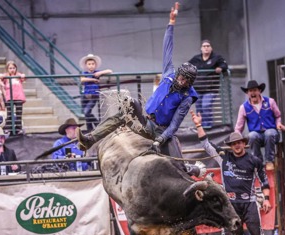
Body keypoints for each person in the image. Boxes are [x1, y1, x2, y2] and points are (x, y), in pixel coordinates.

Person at [77, 2, 198, 158]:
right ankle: (89, 139)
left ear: (190, 83)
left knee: (130, 106)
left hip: (158, 130)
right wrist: (171, 23)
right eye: (181, 78)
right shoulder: (169, 73)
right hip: (144, 120)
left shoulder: (186, 98)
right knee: (127, 107)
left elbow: (175, 123)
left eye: (186, 81)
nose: (182, 82)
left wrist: (162, 138)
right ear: (178, 74)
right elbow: (167, 47)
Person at [191, 110, 276, 235]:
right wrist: (198, 125)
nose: (237, 145)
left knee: (257, 234)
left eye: (239, 142)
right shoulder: (224, 157)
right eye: (234, 143)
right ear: (231, 145)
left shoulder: (254, 160)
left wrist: (266, 199)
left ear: (244, 143)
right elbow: (206, 144)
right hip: (231, 204)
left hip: (250, 201)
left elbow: (264, 180)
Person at [234, 80, 285, 171]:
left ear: (259, 91)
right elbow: (239, 127)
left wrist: (278, 124)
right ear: (247, 93)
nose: (253, 93)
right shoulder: (244, 107)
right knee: (252, 135)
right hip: (257, 136)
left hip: (272, 133)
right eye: (250, 91)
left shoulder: (270, 102)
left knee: (269, 133)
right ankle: (258, 162)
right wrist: (236, 138)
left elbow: (278, 116)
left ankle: (269, 161)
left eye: (254, 90)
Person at [188, 39, 228, 128]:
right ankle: (200, 127)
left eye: (208, 46)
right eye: (204, 46)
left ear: (211, 48)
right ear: (201, 49)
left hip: (211, 88)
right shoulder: (196, 58)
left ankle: (208, 127)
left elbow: (224, 65)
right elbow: (187, 65)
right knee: (199, 108)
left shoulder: (217, 57)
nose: (206, 48)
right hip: (198, 88)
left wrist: (220, 68)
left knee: (206, 105)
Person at [79, 54, 113, 131]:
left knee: (87, 112)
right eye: (89, 64)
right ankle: (90, 128)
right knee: (86, 113)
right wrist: (93, 80)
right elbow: (82, 80)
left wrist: (100, 73)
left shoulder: (97, 72)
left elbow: (110, 71)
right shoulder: (84, 73)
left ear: (95, 65)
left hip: (94, 95)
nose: (91, 66)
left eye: (93, 64)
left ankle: (96, 124)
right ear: (86, 65)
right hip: (86, 95)